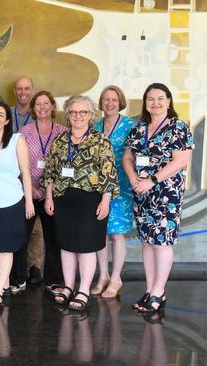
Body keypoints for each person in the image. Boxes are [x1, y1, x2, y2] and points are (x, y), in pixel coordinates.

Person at [42, 95, 119, 312]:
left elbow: (108, 174)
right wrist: (49, 196)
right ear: (67, 114)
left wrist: (106, 200)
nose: (78, 116)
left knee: (86, 247)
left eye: (82, 112)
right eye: (74, 112)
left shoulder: (100, 141)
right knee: (66, 246)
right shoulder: (60, 141)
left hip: (90, 201)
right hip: (62, 200)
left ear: (91, 115)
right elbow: (50, 172)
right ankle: (68, 287)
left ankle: (83, 289)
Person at [123, 83, 194, 313]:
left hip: (166, 193)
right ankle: (150, 289)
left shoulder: (178, 127)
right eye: (150, 99)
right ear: (145, 102)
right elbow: (127, 157)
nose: (155, 103)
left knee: (162, 242)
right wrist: (134, 178)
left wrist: (151, 181)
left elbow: (180, 161)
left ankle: (159, 292)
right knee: (147, 242)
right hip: (141, 193)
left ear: (169, 101)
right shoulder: (139, 128)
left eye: (160, 98)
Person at [0, 101, 34, 313]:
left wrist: (29, 201)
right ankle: (1, 286)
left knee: (6, 247)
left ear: (7, 120)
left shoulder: (16, 140)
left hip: (12, 202)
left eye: (1, 114)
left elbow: (26, 173)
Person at [13, 91, 67, 294]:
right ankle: (18, 278)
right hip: (28, 191)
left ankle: (53, 280)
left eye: (46, 103)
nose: (42, 107)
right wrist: (31, 189)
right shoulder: (24, 132)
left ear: (53, 106)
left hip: (53, 195)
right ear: (33, 109)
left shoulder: (63, 132)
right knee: (20, 237)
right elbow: (17, 162)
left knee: (54, 238)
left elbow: (65, 164)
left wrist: (49, 191)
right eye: (38, 104)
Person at [91, 85, 137, 298]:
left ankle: (116, 278)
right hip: (99, 187)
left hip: (122, 187)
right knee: (100, 233)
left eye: (114, 100)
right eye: (106, 99)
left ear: (120, 102)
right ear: (101, 102)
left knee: (117, 234)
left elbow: (137, 154)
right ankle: (103, 275)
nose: (109, 103)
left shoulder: (130, 125)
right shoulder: (96, 126)